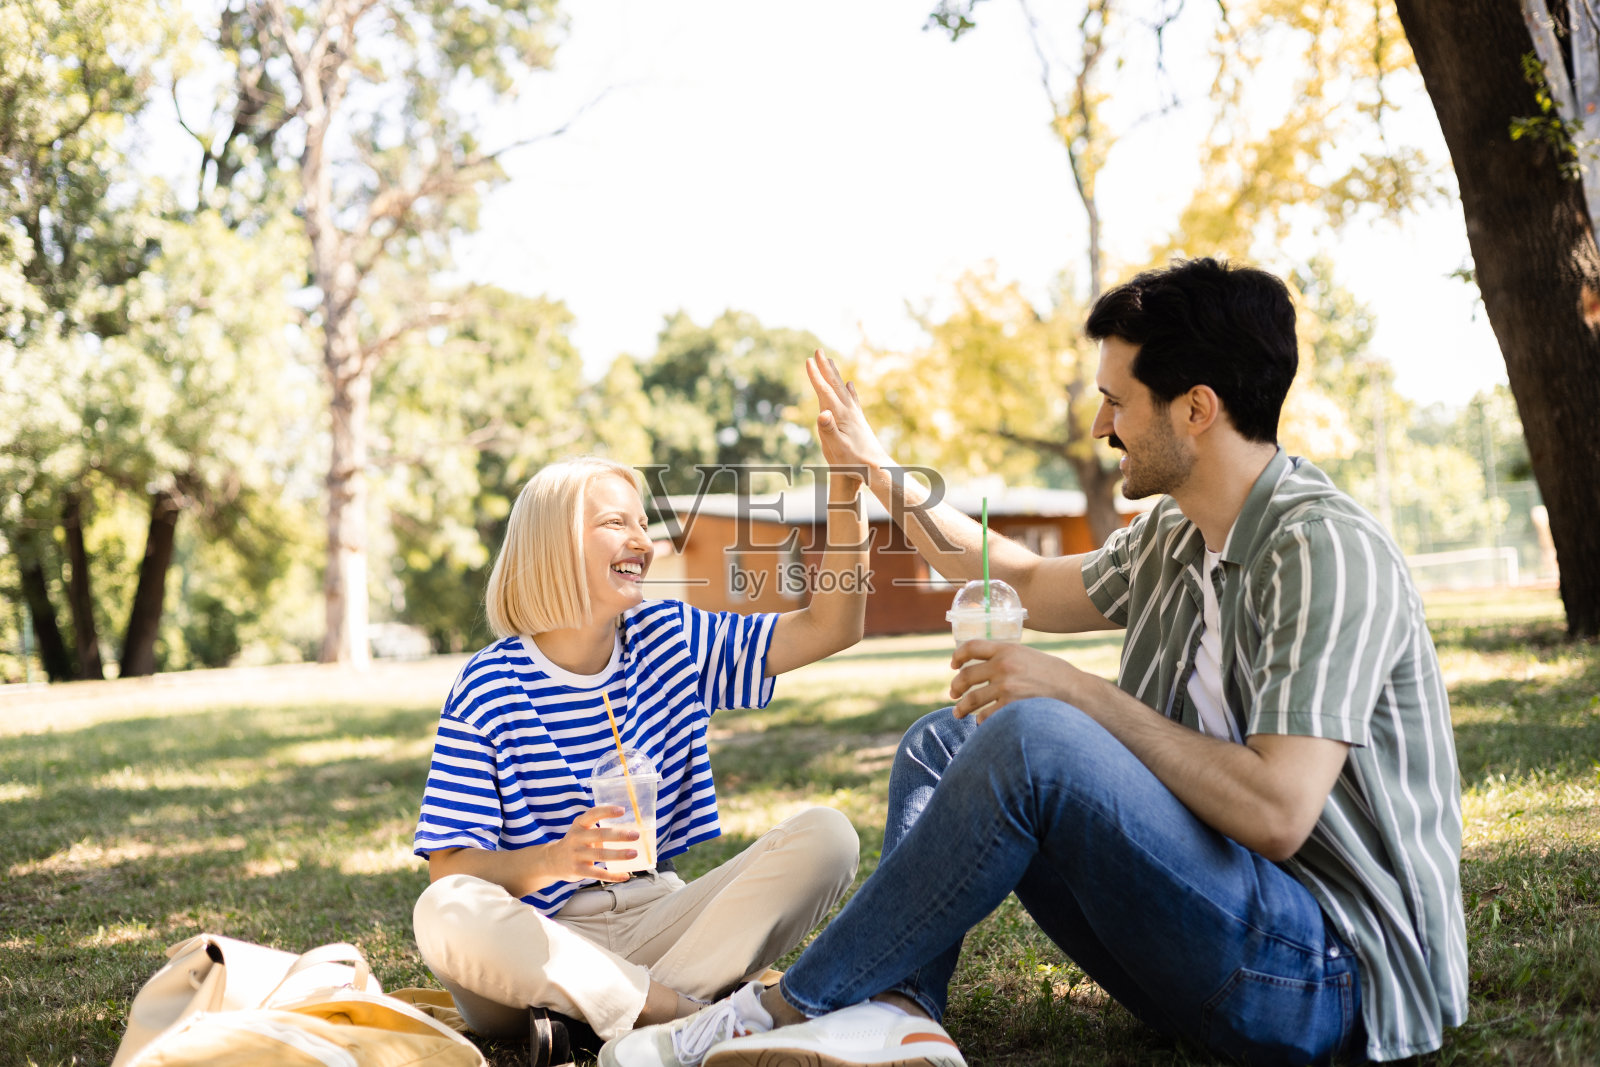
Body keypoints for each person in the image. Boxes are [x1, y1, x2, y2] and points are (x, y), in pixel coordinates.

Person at [600, 258, 1468, 1067]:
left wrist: (1078, 694)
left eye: (1117, 401)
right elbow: (1014, 576)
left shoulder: (1320, 549)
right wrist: (874, 470)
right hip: (1209, 940)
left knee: (1035, 736)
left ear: (1196, 409)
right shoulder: (1175, 537)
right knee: (944, 742)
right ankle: (898, 1011)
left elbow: (1279, 812)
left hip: (1326, 981)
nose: (1100, 426)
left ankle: (779, 1008)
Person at [411, 374, 869, 1047]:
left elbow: (831, 626)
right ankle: (679, 1014)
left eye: (642, 523)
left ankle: (602, 1019)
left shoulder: (670, 637)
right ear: (554, 545)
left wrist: (847, 489)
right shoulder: (488, 686)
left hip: (659, 915)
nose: (644, 541)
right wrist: (557, 859)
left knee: (829, 837)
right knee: (445, 909)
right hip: (539, 944)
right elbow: (451, 867)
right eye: (615, 523)